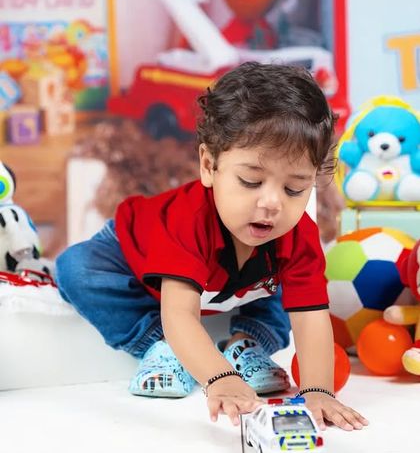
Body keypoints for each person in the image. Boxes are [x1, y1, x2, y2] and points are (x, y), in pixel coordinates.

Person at [56, 62, 368, 431]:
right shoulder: (189, 221)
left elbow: (311, 314)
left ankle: (246, 344)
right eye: (251, 181)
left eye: (294, 189)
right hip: (132, 257)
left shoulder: (296, 233)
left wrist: (319, 390)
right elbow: (180, 314)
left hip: (233, 284)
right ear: (209, 165)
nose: (272, 203)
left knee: (287, 291)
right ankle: (161, 345)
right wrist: (220, 378)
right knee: (76, 268)